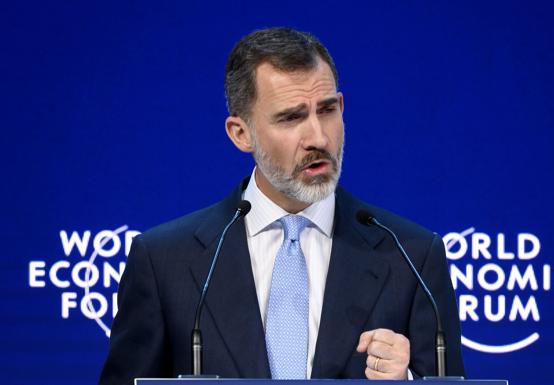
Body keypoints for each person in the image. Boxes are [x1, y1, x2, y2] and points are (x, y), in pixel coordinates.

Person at [99, 27, 464, 384]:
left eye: (326, 110)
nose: (318, 137)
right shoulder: (164, 262)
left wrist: (410, 382)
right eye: (291, 117)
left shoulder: (412, 257)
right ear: (240, 134)